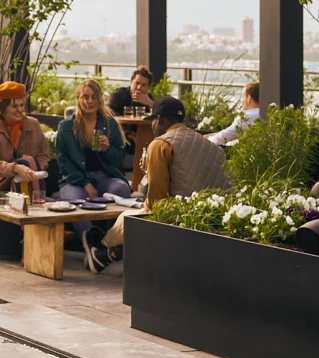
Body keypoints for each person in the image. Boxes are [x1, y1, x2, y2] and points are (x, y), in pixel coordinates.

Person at [83, 96, 230, 272]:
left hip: (184, 221)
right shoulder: (209, 144)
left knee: (130, 218)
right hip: (217, 219)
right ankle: (103, 256)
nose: (152, 126)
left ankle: (102, 249)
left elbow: (156, 203)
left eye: (152, 120)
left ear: (159, 119)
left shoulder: (161, 144)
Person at [55, 78, 131, 256]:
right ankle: (92, 245)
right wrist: (85, 183)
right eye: (85, 97)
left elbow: (119, 156)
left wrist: (107, 149)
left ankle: (111, 240)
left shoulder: (110, 124)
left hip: (104, 176)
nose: (89, 101)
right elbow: (63, 161)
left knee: (121, 188)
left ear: (100, 99)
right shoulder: (66, 127)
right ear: (78, 99)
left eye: (94, 97)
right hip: (75, 180)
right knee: (76, 201)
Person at [0, 80, 50, 193]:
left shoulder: (33, 124)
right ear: (3, 109)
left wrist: (31, 170)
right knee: (25, 161)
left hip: (29, 181)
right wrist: (15, 168)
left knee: (28, 161)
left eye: (21, 105)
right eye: (14, 106)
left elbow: (44, 155)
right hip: (1, 185)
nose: (20, 110)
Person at [108, 65, 154, 155]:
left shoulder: (148, 99)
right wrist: (129, 134)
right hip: (120, 136)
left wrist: (149, 103)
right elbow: (107, 116)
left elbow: (158, 117)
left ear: (148, 87)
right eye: (137, 83)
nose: (139, 87)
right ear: (131, 82)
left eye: (144, 85)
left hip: (141, 136)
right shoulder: (119, 95)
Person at [206, 81, 260, 146]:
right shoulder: (266, 114)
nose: (241, 100)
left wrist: (205, 140)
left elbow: (221, 138)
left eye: (242, 97)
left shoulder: (246, 117)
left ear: (249, 98)